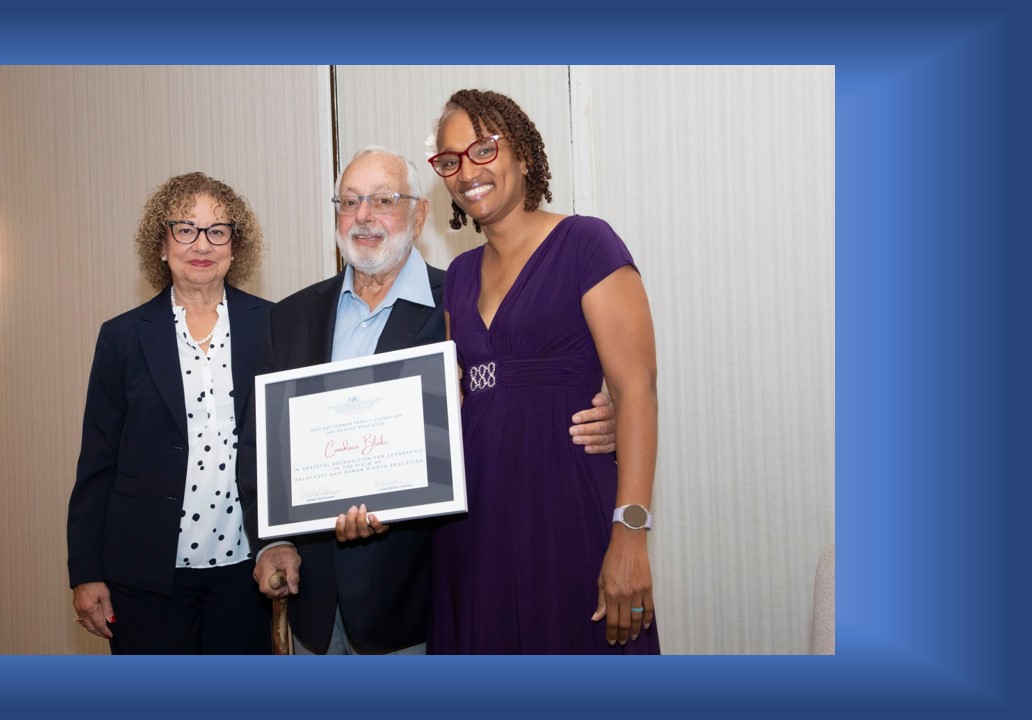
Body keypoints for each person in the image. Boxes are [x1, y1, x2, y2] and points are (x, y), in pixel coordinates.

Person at [237, 147, 618, 655]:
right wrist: (275, 541)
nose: (363, 216)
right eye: (349, 201)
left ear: (419, 215)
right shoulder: (288, 317)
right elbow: (259, 448)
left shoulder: (464, 303)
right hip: (313, 606)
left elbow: (512, 403)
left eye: (383, 200)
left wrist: (607, 419)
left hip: (420, 607)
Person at [427, 89, 661, 654]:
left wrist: (631, 532)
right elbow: (458, 404)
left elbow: (637, 391)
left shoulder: (587, 244)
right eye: (451, 160)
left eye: (483, 149)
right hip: (473, 525)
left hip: (564, 507)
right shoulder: (458, 276)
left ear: (524, 155)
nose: (467, 172)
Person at [67, 172, 273, 654]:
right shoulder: (121, 337)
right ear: (161, 245)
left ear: (235, 246)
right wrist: (86, 571)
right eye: (185, 229)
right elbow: (97, 462)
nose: (201, 244)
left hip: (245, 571)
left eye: (217, 230)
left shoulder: (272, 324)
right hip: (146, 575)